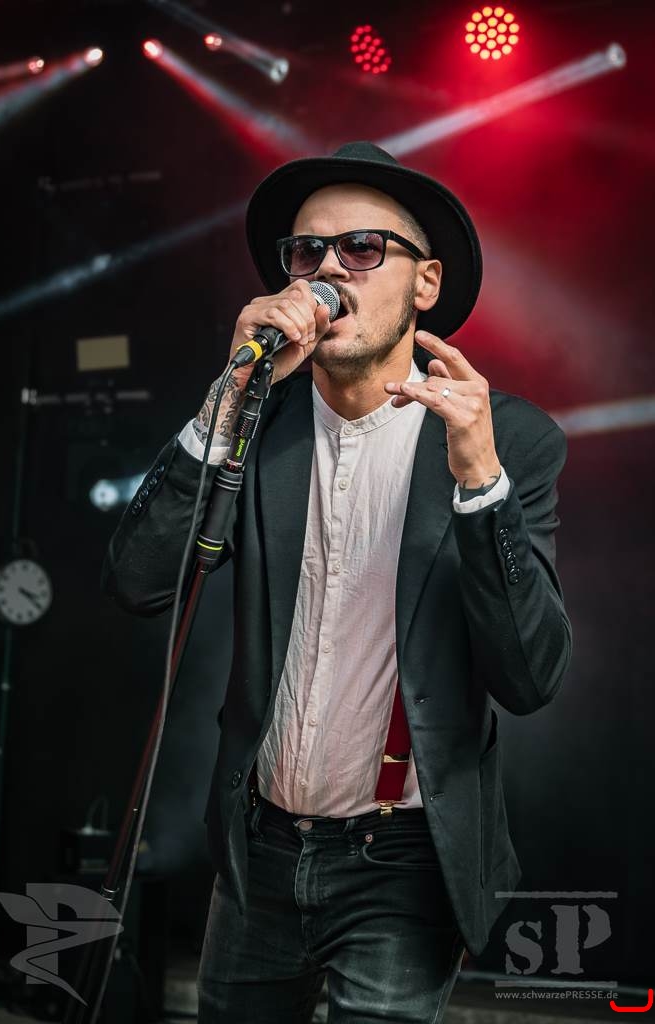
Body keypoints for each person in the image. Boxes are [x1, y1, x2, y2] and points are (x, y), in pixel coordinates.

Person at [102, 141, 572, 1023]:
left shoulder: (507, 438)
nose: (326, 269)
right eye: (306, 252)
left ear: (424, 283)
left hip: (404, 857)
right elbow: (137, 581)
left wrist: (480, 483)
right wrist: (224, 407)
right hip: (259, 846)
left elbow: (528, 676)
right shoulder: (262, 426)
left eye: (360, 248)